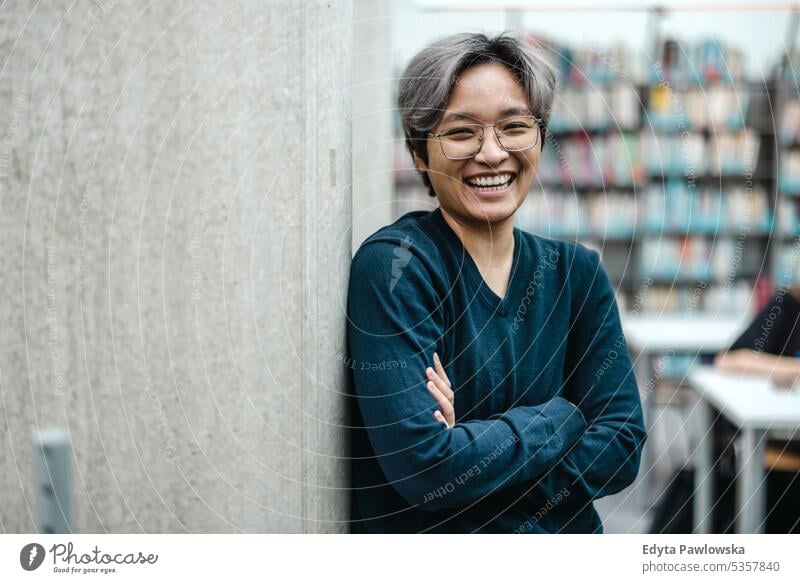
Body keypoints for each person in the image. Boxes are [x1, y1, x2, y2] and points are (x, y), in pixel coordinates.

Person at [346, 32, 646, 533]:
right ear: (420, 154)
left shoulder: (576, 275)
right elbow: (427, 469)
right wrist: (561, 418)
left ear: (541, 138)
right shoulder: (396, 268)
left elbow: (622, 449)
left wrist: (473, 452)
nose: (492, 153)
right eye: (462, 132)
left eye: (514, 127)